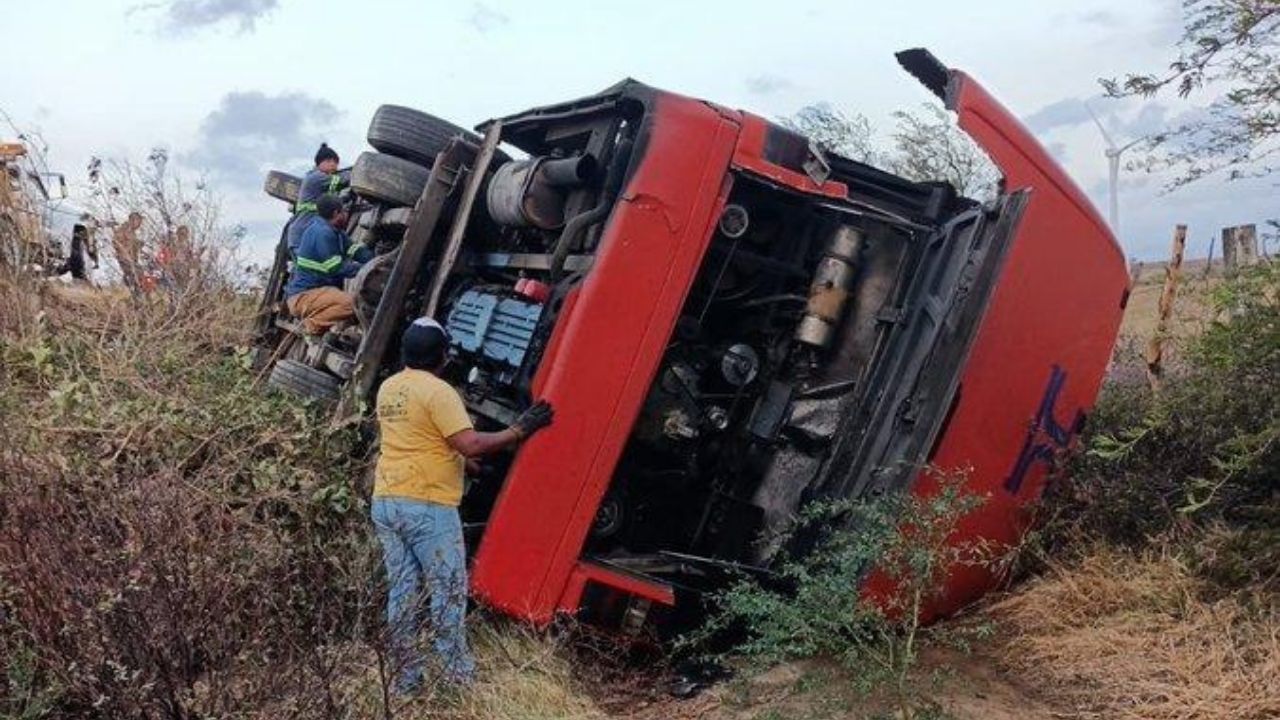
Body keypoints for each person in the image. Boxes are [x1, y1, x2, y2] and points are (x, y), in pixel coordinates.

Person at [372, 318, 553, 692]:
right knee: (448, 591)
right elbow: (470, 443)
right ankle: (457, 680)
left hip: (388, 500)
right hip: (427, 505)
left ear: (406, 353)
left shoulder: (390, 387)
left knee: (402, 592)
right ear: (443, 356)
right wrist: (519, 429)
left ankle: (404, 681)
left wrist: (467, 467)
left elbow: (419, 437)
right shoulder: (439, 392)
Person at [283, 194, 371, 334]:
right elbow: (336, 268)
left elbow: (356, 251)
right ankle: (311, 325)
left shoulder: (335, 232)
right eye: (344, 211)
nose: (346, 215)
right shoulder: (322, 233)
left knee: (351, 305)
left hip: (316, 294)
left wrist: (374, 259)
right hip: (302, 297)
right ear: (336, 213)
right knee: (352, 304)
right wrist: (367, 268)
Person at [286, 143, 344, 255]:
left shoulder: (317, 180)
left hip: (304, 233)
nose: (335, 166)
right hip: (302, 234)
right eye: (331, 162)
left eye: (336, 163)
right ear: (322, 162)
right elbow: (342, 180)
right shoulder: (316, 177)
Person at [112, 212, 144, 294]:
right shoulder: (123, 229)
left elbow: (132, 244)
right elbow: (116, 242)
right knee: (137, 272)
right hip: (125, 258)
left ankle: (135, 291)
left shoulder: (132, 232)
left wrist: (138, 244)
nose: (140, 224)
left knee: (137, 273)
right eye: (139, 221)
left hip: (132, 259)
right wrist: (124, 253)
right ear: (133, 220)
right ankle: (133, 290)